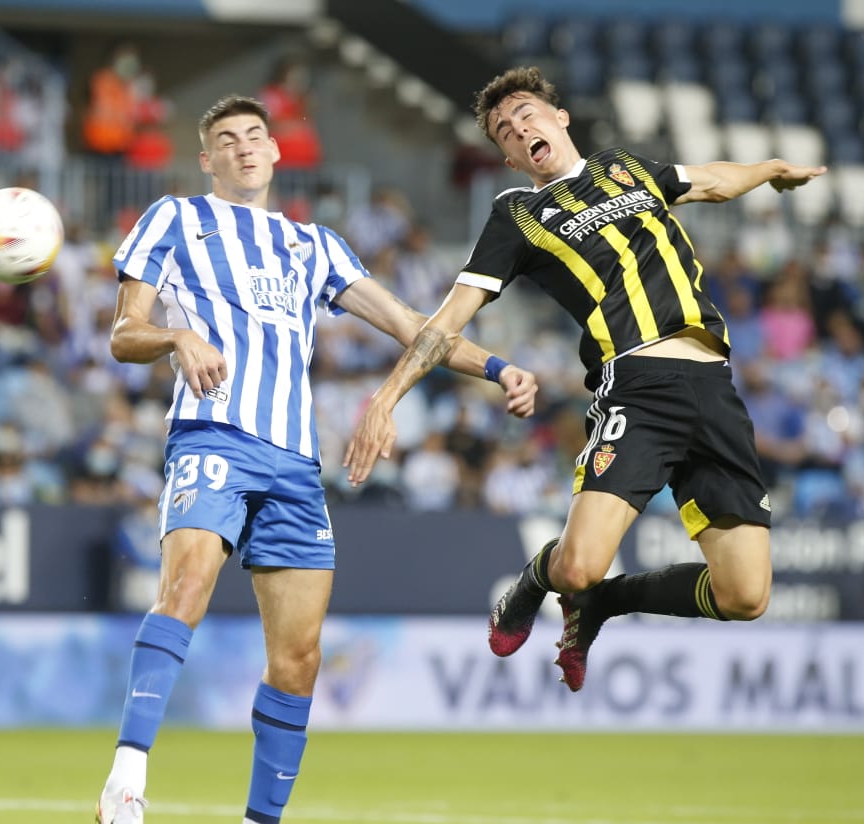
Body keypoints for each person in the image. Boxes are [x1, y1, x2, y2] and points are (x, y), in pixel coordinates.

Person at [94, 93, 537, 824]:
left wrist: (496, 367)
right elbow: (124, 332)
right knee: (186, 589)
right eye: (224, 140)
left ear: (274, 152)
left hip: (296, 467)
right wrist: (176, 335)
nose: (241, 149)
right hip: (215, 436)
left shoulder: (314, 246)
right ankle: (125, 783)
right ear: (207, 160)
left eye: (254, 136)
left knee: (298, 659)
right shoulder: (174, 218)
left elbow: (412, 327)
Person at [344, 66, 828, 693]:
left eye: (526, 114)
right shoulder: (518, 215)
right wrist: (386, 396)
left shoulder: (623, 168)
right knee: (577, 567)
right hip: (638, 385)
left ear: (559, 117)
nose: (519, 129)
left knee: (746, 595)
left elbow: (709, 181)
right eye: (504, 132)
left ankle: (605, 603)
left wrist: (768, 169)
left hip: (714, 386)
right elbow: (445, 321)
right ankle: (537, 581)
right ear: (511, 159)